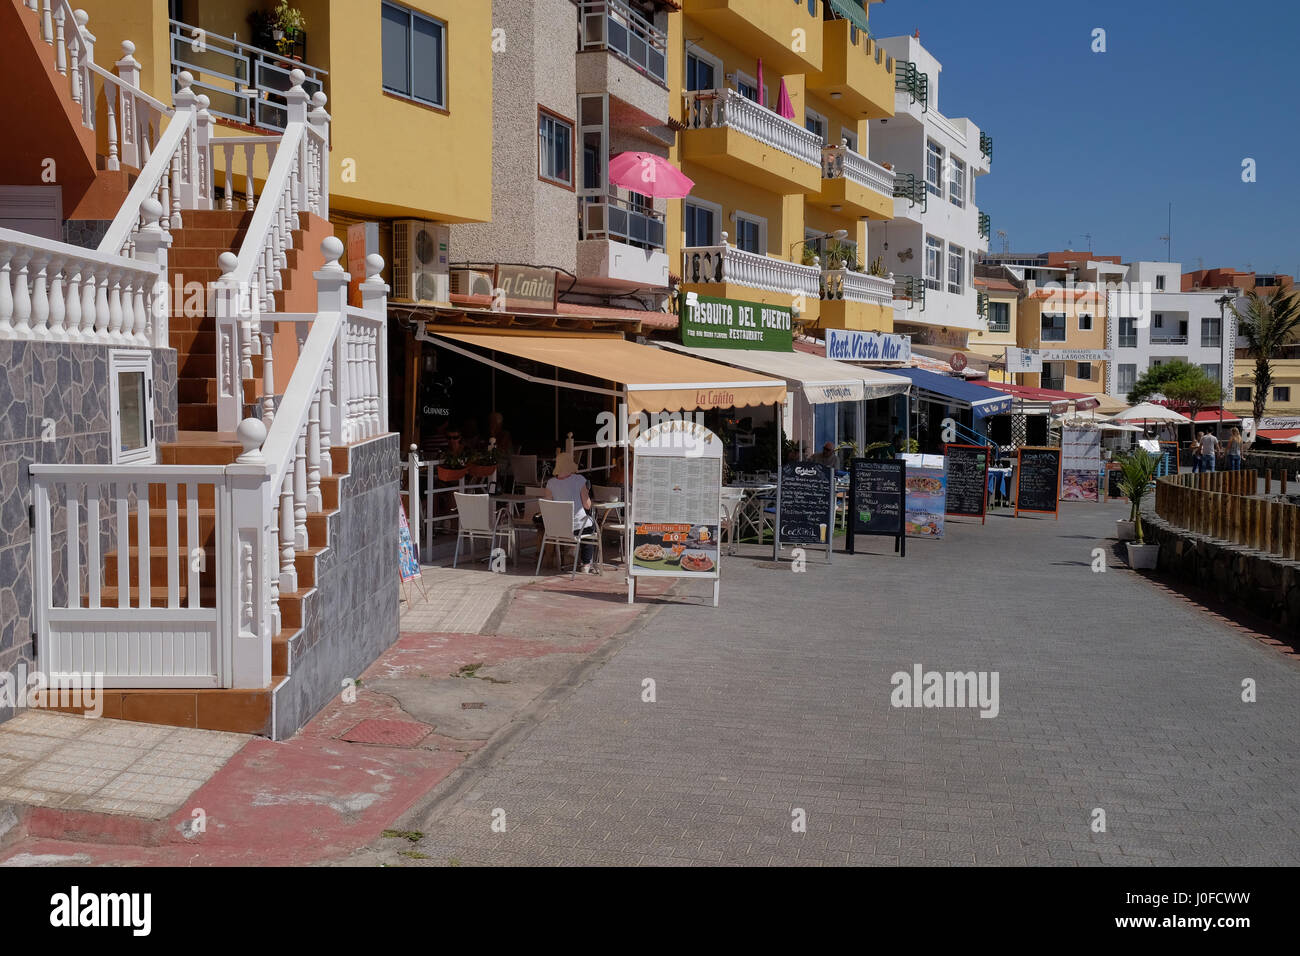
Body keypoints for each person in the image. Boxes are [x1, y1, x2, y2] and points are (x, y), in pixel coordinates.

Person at [544, 449, 597, 574]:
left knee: (584, 523)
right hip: (576, 528)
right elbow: (587, 505)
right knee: (591, 526)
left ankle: (573, 548)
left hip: (556, 528)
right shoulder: (579, 480)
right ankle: (586, 563)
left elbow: (548, 505)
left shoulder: (550, 483)